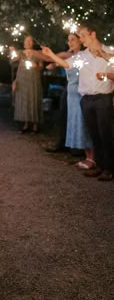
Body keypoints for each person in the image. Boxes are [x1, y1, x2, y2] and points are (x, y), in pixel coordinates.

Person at [42, 22, 113, 181]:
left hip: (103, 99)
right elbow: (67, 63)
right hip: (86, 100)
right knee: (94, 135)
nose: (81, 39)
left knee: (105, 134)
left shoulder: (109, 51)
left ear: (93, 34)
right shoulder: (82, 56)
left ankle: (109, 169)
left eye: (83, 35)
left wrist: (103, 57)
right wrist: (51, 54)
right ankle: (99, 166)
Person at [42, 34, 93, 167]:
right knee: (73, 122)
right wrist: (53, 62)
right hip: (70, 93)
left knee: (83, 123)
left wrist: (51, 56)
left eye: (73, 40)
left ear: (80, 41)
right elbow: (57, 61)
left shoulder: (84, 56)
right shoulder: (69, 55)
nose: (70, 42)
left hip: (80, 92)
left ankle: (91, 157)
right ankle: (83, 153)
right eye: (68, 40)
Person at [11, 35, 45, 133]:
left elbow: (41, 67)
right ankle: (25, 124)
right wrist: (12, 51)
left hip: (34, 79)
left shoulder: (38, 53)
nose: (29, 43)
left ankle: (35, 125)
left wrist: (36, 67)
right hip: (22, 79)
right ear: (24, 43)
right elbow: (12, 60)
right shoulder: (21, 53)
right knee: (24, 100)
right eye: (27, 41)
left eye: (30, 41)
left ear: (33, 43)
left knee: (34, 99)